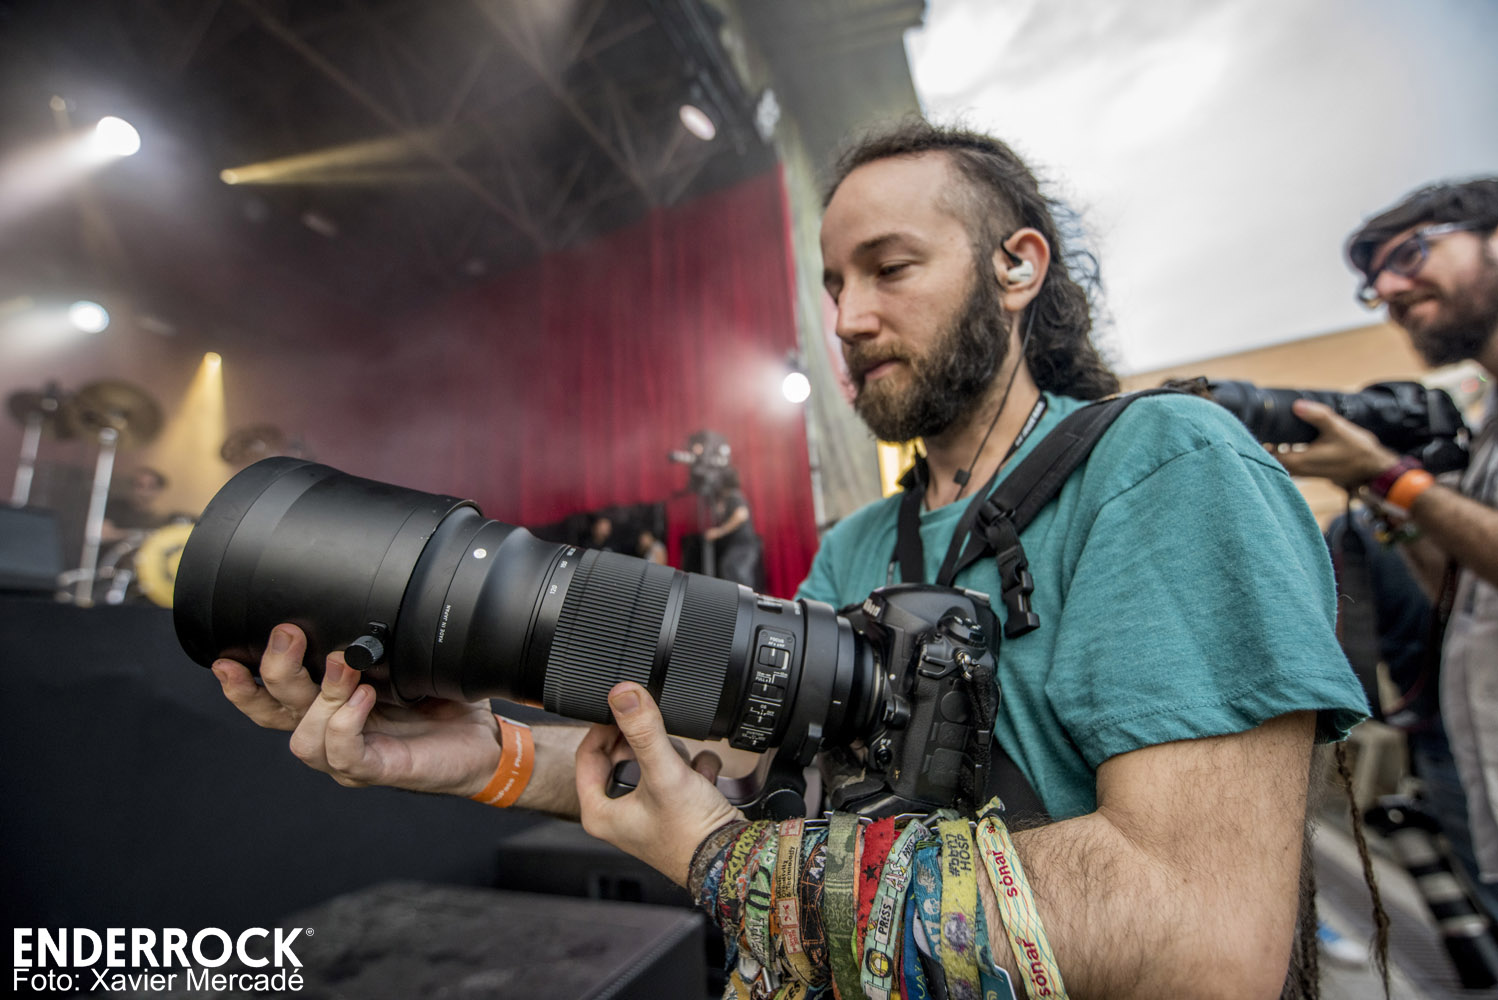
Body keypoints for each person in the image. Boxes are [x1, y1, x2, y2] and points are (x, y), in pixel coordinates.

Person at [211, 121, 1368, 997]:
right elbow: (716, 765)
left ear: (1017, 267)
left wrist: (733, 865)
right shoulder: (866, 541)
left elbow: (1196, 934)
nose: (847, 318)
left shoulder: (1163, 464)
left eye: (889, 268)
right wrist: (486, 752)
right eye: (832, 284)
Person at [1272, 177, 1498, 893]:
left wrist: (1391, 475)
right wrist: (1391, 506)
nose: (1391, 290)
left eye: (1411, 254)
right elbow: (1461, 593)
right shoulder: (1486, 431)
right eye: (1375, 286)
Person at [702, 468, 764, 589]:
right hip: (739, 545)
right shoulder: (729, 498)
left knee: (737, 574)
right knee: (729, 569)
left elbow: (741, 515)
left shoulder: (734, 496)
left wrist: (719, 532)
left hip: (743, 545)